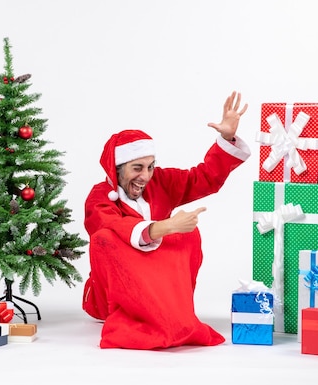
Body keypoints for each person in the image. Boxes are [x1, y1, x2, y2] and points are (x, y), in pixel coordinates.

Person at [82, 91, 251, 350]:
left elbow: (203, 178)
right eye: (137, 168)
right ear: (116, 169)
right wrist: (168, 226)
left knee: (189, 235)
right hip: (115, 293)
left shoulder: (159, 182)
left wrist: (226, 137)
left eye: (150, 166)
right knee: (105, 239)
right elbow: (112, 228)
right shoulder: (99, 198)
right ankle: (145, 321)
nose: (146, 176)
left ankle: (173, 313)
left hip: (159, 281)